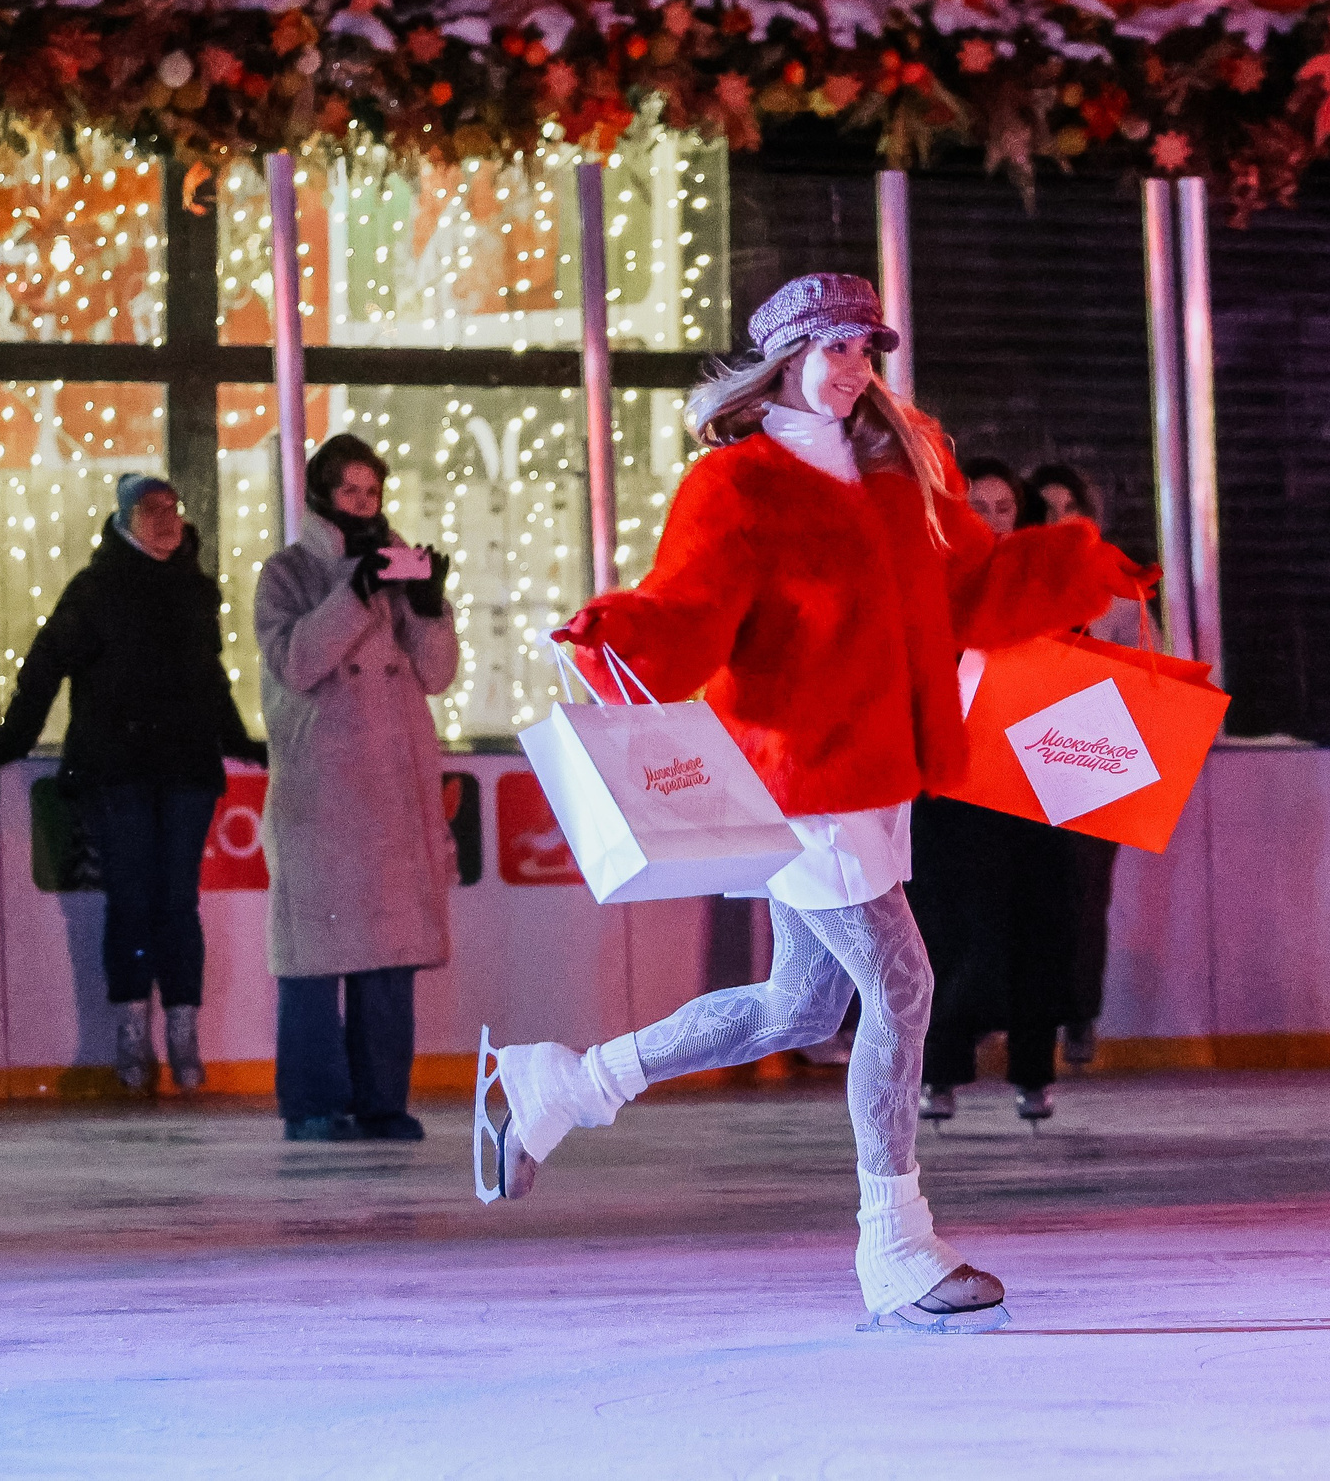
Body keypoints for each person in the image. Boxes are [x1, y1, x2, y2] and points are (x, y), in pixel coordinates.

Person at [476, 274, 1153, 1334]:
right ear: (783, 356)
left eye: (864, 347)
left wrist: (1070, 567)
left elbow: (969, 593)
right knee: (902, 990)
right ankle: (895, 1244)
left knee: (799, 1008)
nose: (851, 366)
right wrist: (623, 633)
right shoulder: (739, 485)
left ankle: (564, 1085)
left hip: (878, 777)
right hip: (800, 779)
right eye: (831, 345)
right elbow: (688, 609)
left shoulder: (896, 472)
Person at [0, 474, 262, 1096]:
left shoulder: (194, 591)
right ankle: (132, 1033)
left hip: (184, 770)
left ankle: (181, 1030)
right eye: (152, 510)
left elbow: (210, 679)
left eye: (173, 509)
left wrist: (236, 742)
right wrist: (14, 738)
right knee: (130, 898)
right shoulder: (96, 591)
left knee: (177, 901)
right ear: (125, 519)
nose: (167, 520)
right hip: (118, 771)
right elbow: (45, 664)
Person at [254, 433, 459, 1143]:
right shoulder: (287, 571)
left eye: (371, 492)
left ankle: (381, 1100)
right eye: (350, 492)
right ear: (320, 493)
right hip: (321, 793)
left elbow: (435, 674)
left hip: (393, 793)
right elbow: (298, 660)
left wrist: (429, 603)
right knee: (315, 956)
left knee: (389, 959)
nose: (363, 505)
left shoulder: (396, 566)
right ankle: (312, 1102)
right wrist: (354, 592)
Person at [907, 457, 1079, 1125]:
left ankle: (1034, 1073)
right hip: (953, 789)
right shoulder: (928, 581)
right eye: (978, 505)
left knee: (1041, 928)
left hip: (1036, 785)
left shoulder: (1041, 583)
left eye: (1004, 507)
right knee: (955, 933)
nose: (992, 519)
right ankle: (941, 1071)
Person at [1024, 461, 1140, 1068]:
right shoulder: (1012, 586)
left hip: (1093, 754)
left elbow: (1148, 669)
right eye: (1046, 508)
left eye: (1070, 508)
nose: (1059, 520)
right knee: (1022, 897)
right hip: (1018, 757)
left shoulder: (1116, 589)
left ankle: (1079, 1015)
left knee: (1084, 895)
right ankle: (1020, 1019)